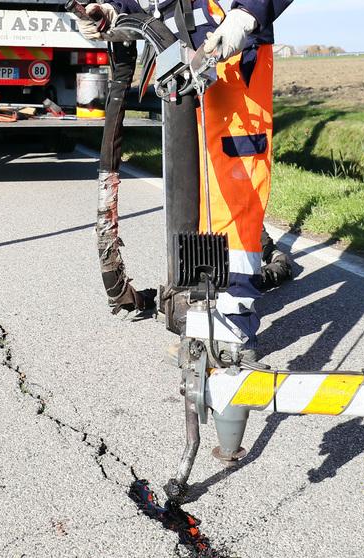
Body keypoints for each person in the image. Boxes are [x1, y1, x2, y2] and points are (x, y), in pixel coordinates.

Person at [80, 0, 292, 359]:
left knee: (234, 194)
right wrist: (113, 11)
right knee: (199, 199)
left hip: (232, 58)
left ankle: (234, 326)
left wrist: (248, 13)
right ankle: (207, 309)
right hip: (183, 66)